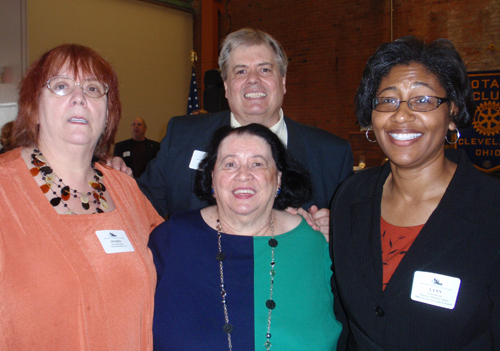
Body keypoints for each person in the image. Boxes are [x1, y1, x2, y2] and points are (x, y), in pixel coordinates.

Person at [330, 36, 500, 350]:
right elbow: (344, 316)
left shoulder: (490, 209)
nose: (402, 115)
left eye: (422, 100)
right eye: (388, 100)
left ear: (452, 113)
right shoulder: (351, 197)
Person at [0, 44, 163, 350]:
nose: (79, 97)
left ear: (108, 112)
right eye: (61, 86)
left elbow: (180, 258)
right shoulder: (5, 189)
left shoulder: (127, 190)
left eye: (92, 88)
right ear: (34, 105)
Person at [136, 28, 353, 232]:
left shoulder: (332, 154)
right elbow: (139, 208)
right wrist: (112, 177)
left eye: (265, 69)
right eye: (241, 71)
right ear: (227, 86)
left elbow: (356, 235)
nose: (253, 80)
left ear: (283, 81)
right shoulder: (182, 138)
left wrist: (337, 231)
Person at [149, 123, 342, 350]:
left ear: (278, 178)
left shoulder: (315, 244)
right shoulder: (171, 239)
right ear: (212, 177)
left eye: (257, 163)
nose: (243, 175)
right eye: (230, 164)